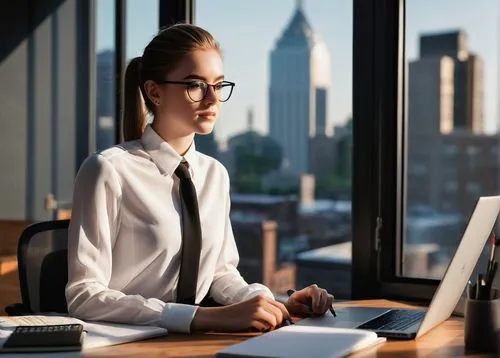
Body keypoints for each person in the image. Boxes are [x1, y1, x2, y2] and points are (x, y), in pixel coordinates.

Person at [65, 23, 334, 334]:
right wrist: (198, 317)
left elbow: (220, 273)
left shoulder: (214, 175)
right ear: (154, 91)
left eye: (218, 85)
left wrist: (270, 302)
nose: (212, 98)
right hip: (125, 345)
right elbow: (84, 295)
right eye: (196, 85)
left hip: (191, 343)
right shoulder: (107, 170)